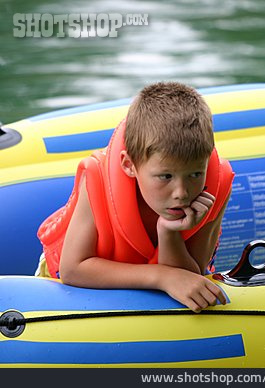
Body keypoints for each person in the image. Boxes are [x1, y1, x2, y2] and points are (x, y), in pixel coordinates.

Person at [36, 82, 234, 313]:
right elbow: (73, 270)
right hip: (70, 284)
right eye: (165, 176)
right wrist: (162, 277)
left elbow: (191, 276)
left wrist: (169, 233)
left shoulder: (215, 186)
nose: (182, 192)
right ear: (129, 165)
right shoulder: (99, 179)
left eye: (195, 174)